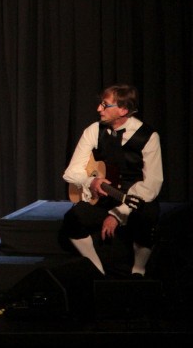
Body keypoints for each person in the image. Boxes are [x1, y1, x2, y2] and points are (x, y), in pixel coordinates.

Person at [62, 84, 163, 278]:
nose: (99, 109)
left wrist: (117, 215)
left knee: (147, 216)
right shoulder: (94, 130)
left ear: (123, 110)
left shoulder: (148, 136)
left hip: (133, 198)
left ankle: (138, 271)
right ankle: (96, 270)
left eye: (105, 105)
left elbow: (152, 184)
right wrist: (90, 182)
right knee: (73, 219)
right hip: (104, 196)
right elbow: (71, 172)